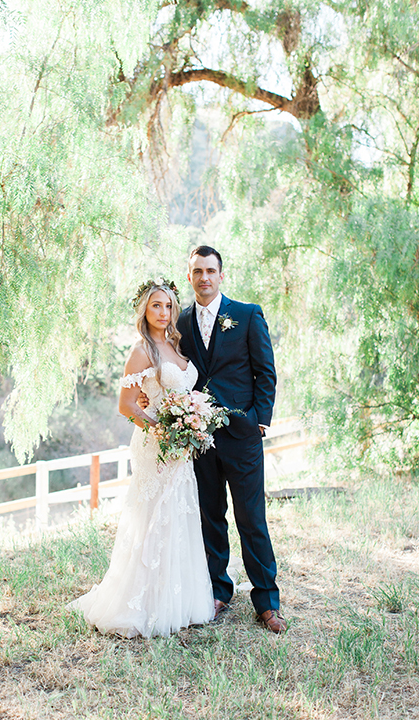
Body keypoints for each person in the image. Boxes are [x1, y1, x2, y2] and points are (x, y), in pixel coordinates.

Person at [140, 246, 286, 633]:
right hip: (198, 439)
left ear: (221, 275)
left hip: (242, 435)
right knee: (209, 516)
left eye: (210, 270)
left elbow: (265, 372)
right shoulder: (179, 323)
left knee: (251, 518)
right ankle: (218, 591)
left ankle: (266, 601)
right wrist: (146, 394)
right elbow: (163, 365)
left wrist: (260, 421)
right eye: (197, 271)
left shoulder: (247, 314)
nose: (204, 277)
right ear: (188, 277)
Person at [67, 279, 214, 638]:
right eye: (156, 307)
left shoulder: (176, 345)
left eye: (168, 306)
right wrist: (163, 429)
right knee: (154, 514)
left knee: (178, 512)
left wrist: (191, 421)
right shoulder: (142, 350)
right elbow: (126, 405)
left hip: (181, 447)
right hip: (156, 444)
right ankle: (140, 602)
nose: (163, 313)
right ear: (144, 311)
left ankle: (178, 598)